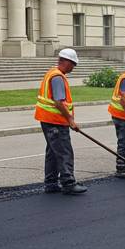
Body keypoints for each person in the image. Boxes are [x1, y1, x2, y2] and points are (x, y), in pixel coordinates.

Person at [36, 48, 86, 195]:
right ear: (66, 62)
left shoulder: (52, 73)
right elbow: (59, 102)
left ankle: (51, 183)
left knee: (53, 152)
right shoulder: (58, 77)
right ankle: (68, 183)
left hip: (47, 120)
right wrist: (70, 119)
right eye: (73, 64)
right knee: (64, 151)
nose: (73, 68)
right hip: (56, 122)